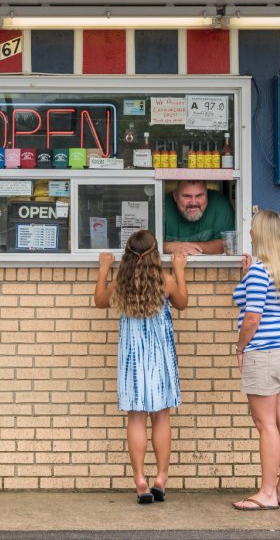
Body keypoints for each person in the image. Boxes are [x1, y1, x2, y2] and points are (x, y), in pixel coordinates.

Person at [94, 229, 188, 504]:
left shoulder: (121, 283)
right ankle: (161, 477)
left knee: (136, 418)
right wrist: (179, 270)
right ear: (155, 254)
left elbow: (100, 301)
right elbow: (182, 303)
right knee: (162, 416)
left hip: (132, 357)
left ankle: (140, 482)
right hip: (160, 355)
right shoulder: (165, 281)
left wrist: (103, 270)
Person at [231, 210, 280, 511]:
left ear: (260, 234)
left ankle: (266, 493)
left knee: (265, 424)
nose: (249, 233)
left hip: (266, 352)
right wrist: (247, 274)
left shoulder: (260, 272)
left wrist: (239, 347)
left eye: (252, 229)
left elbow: (252, 318)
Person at [163, 179, 235, 256]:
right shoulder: (161, 206)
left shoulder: (220, 204)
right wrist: (170, 247)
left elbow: (226, 245)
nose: (193, 203)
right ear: (175, 196)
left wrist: (181, 247)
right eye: (187, 196)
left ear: (207, 195)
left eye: (199, 196)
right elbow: (150, 245)